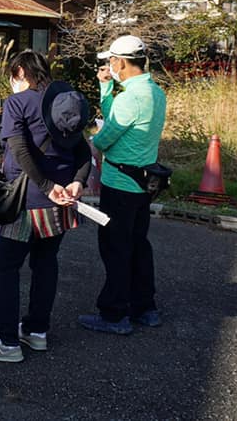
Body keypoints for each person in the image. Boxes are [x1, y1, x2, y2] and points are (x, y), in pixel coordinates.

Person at [0, 50, 92, 363]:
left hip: (28, 200)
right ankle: (36, 331)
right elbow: (83, 151)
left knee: (5, 265)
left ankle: (5, 341)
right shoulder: (66, 101)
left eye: (13, 75)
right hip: (63, 201)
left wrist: (47, 187)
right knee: (45, 262)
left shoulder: (17, 103)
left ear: (21, 71)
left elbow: (20, 150)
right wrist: (78, 182)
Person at [79, 35, 167, 335]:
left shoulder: (130, 97)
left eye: (111, 61)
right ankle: (145, 308)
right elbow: (115, 118)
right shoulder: (154, 92)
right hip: (144, 181)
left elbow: (106, 135)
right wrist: (106, 87)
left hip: (120, 182)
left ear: (121, 62)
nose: (109, 65)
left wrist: (90, 145)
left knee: (115, 247)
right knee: (138, 244)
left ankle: (115, 314)